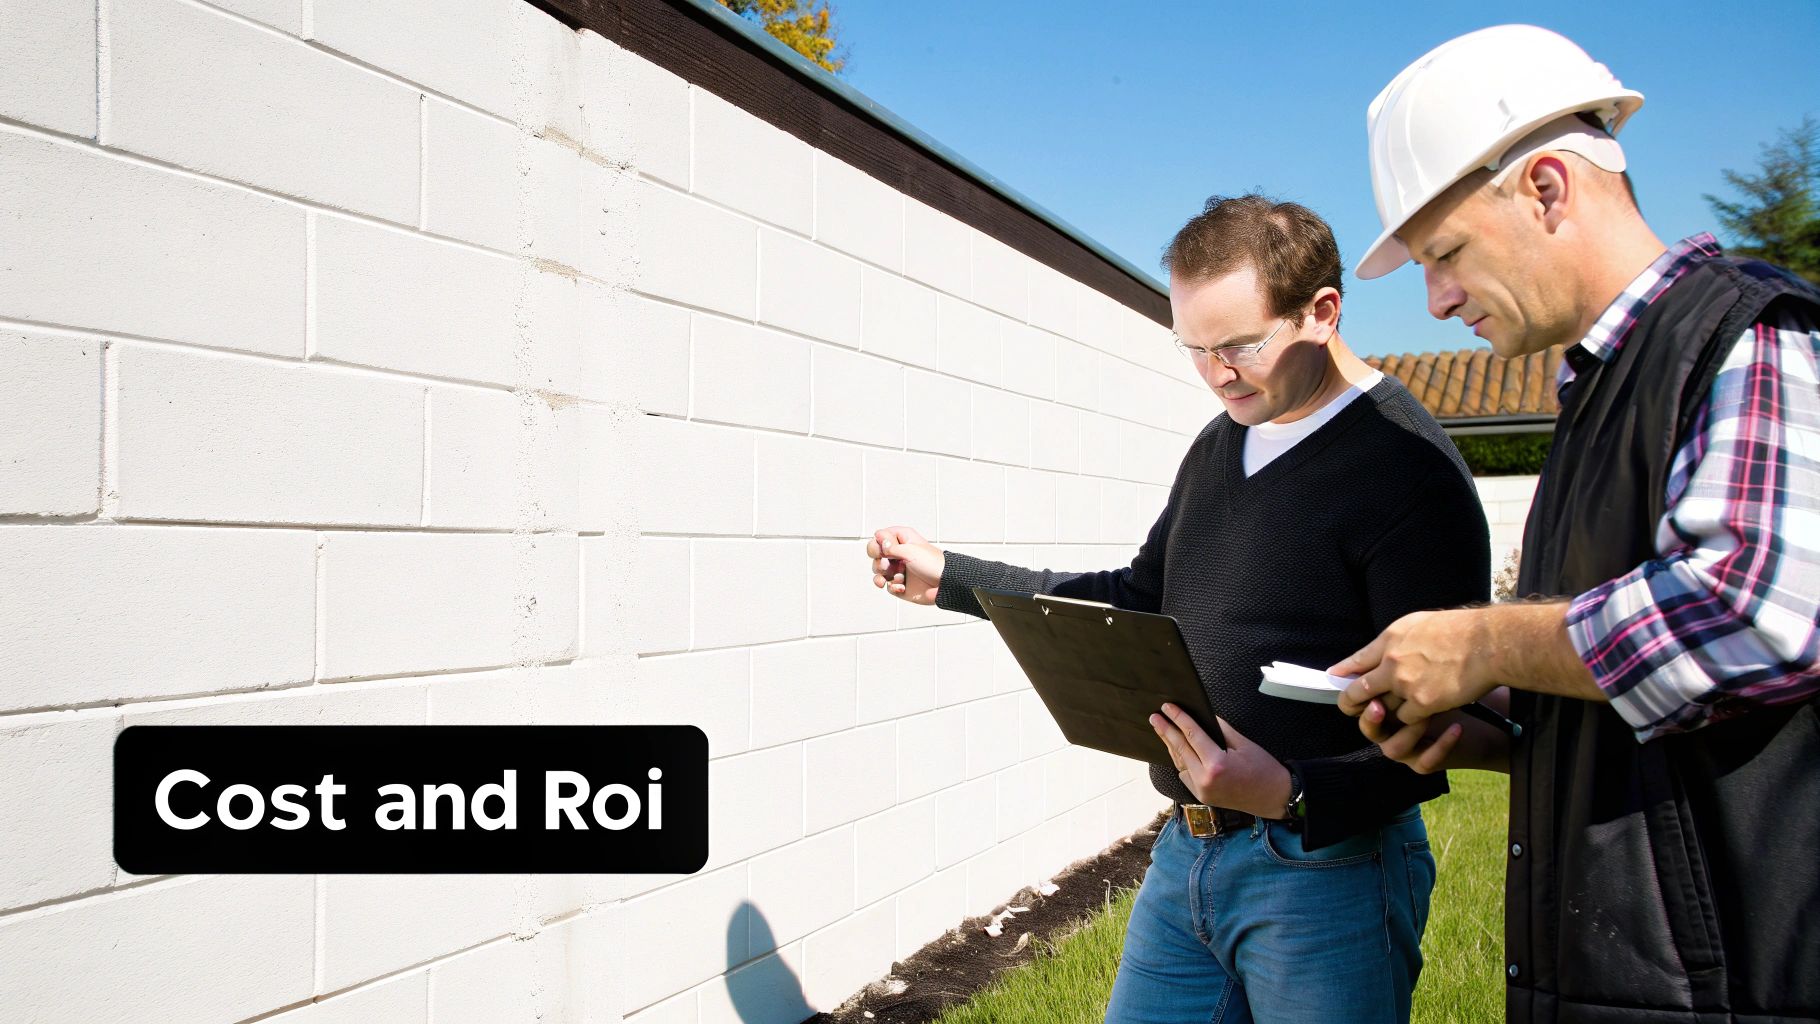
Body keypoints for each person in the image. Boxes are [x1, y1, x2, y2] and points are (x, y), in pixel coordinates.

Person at [866, 195, 1489, 1024]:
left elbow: (1446, 728)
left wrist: (1291, 793)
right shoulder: (1220, 442)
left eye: (1238, 344)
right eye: (1193, 348)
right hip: (1186, 852)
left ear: (1321, 311)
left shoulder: (1410, 473)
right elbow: (1136, 601)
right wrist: (952, 577)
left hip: (1329, 870)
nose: (1216, 372)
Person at [1333, 25, 1820, 1022]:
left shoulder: (1744, 338)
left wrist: (1479, 640)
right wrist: (1503, 727)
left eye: (1445, 254)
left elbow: (1756, 610)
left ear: (1546, 187)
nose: (1434, 303)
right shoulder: (1594, 397)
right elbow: (1664, 713)